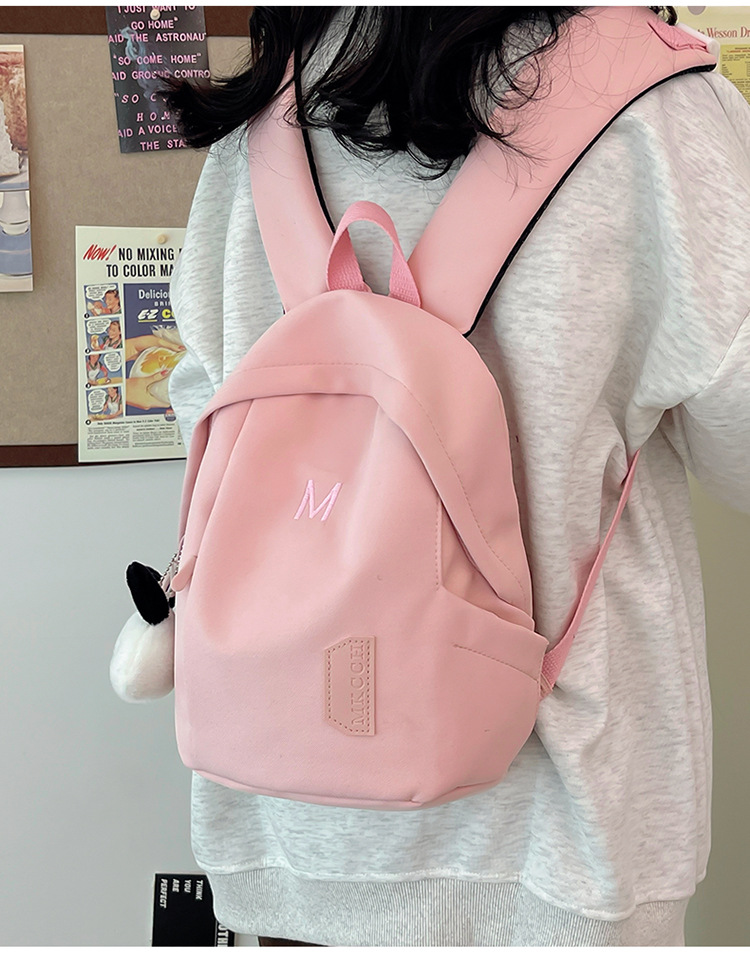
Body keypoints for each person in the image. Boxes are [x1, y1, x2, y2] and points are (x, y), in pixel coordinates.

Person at [161, 7, 750, 947]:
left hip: (286, 807)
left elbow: (206, 411)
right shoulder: (660, 108)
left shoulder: (267, 109)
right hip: (558, 839)